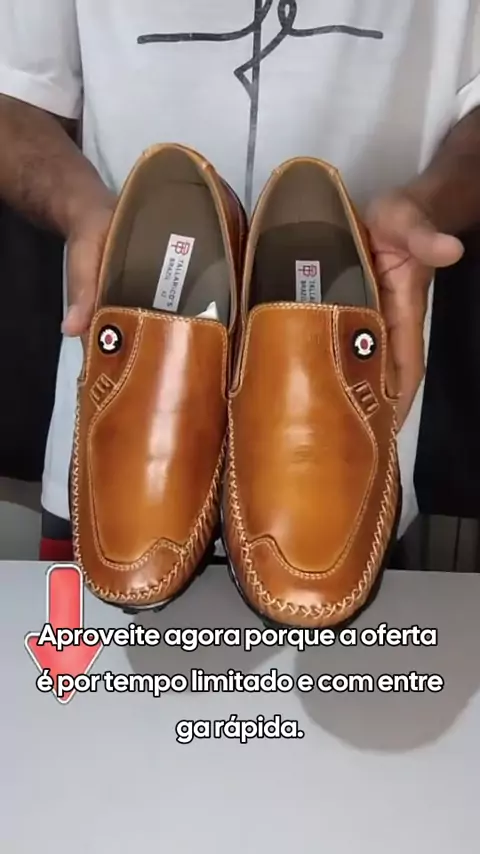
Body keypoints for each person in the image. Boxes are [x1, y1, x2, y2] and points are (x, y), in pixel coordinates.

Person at [0, 1, 478, 562]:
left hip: (348, 428)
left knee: (329, 585)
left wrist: (429, 206)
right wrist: (82, 211)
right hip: (123, 405)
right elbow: (16, 91)